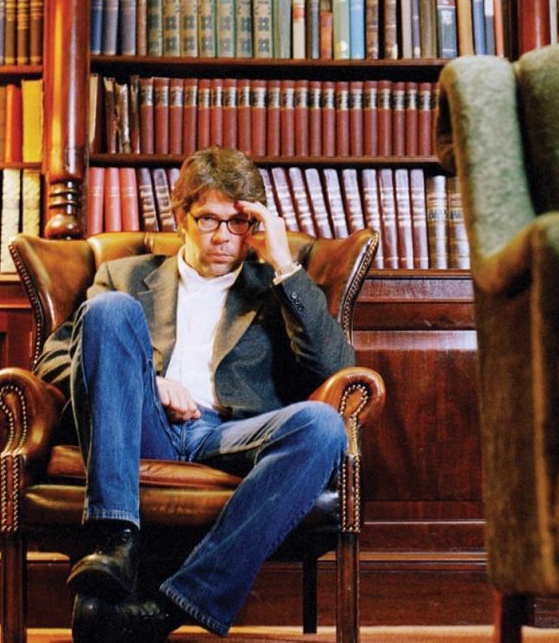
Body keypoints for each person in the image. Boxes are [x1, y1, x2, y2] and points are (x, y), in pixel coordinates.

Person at [36, 147, 355, 642]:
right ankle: (115, 540)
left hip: (229, 435)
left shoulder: (276, 286)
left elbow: (335, 367)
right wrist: (148, 380)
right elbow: (54, 362)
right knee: (110, 311)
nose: (223, 236)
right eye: (208, 219)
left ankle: (172, 606)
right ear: (181, 216)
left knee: (323, 426)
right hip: (145, 427)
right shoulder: (123, 276)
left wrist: (283, 264)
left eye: (238, 222)